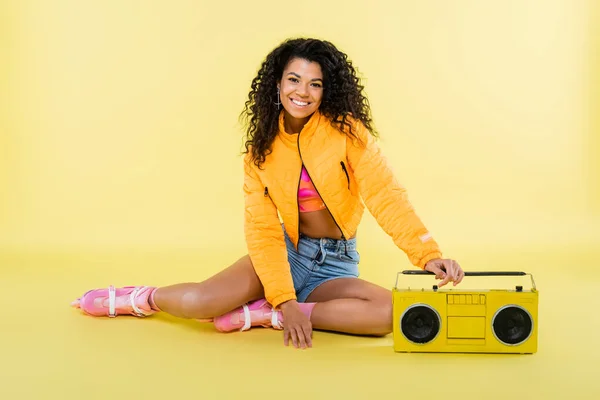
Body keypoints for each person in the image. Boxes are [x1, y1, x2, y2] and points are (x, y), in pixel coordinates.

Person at [71, 37, 464, 349]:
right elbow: (262, 229)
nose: (303, 92)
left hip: (336, 264)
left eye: (315, 84)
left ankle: (269, 315)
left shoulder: (347, 132)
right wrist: (283, 293)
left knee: (387, 314)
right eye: (294, 79)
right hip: (286, 254)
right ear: (278, 83)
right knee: (202, 304)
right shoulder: (261, 149)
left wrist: (428, 255)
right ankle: (142, 297)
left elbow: (385, 195)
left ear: (326, 91)